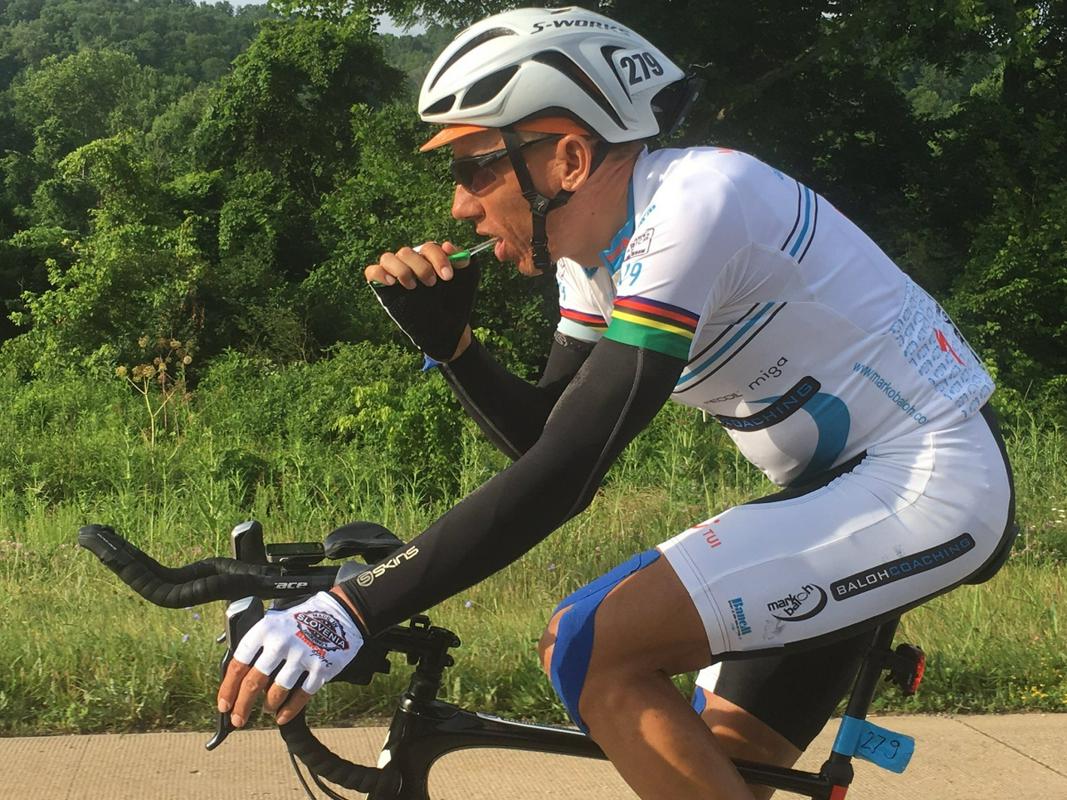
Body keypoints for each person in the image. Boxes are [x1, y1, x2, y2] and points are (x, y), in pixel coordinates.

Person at [216, 8, 1016, 799]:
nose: (459, 204)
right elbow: (546, 436)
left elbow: (571, 469)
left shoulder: (700, 200)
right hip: (834, 495)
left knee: (587, 643)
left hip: (927, 480)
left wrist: (351, 608)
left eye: (475, 169)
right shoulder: (591, 257)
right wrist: (454, 349)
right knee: (707, 772)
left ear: (568, 158)